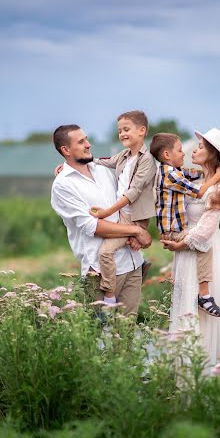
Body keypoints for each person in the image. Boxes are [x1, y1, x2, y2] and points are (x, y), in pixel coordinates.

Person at [50, 124, 152, 315]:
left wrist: (134, 233)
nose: (88, 145)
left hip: (132, 263)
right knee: (102, 338)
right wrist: (136, 232)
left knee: (127, 333)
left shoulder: (103, 170)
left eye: (87, 139)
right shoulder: (63, 185)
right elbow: (93, 226)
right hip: (100, 272)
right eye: (81, 142)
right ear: (65, 150)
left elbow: (130, 199)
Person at [161, 128, 220, 370]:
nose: (193, 150)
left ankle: (205, 371)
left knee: (200, 311)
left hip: (201, 248)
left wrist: (180, 243)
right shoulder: (194, 179)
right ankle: (184, 370)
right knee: (185, 305)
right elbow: (155, 169)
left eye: (201, 147)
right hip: (185, 249)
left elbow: (205, 230)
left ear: (213, 154)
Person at [150, 132, 220, 317]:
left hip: (183, 234)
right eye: (179, 150)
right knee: (204, 246)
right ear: (167, 155)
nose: (185, 152)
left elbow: (195, 175)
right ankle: (204, 296)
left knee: (204, 245)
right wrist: (217, 175)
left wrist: (215, 174)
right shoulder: (171, 174)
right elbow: (200, 192)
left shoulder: (176, 172)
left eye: (200, 147)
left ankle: (203, 295)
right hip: (179, 234)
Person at [88, 110, 157, 305]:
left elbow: (134, 192)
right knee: (113, 240)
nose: (122, 134)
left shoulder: (147, 160)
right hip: (122, 215)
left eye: (126, 129)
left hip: (133, 217)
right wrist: (72, 164)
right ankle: (137, 252)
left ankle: (109, 295)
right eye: (119, 131)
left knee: (105, 252)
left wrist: (107, 211)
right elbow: (105, 162)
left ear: (142, 130)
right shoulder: (124, 155)